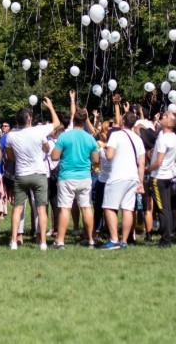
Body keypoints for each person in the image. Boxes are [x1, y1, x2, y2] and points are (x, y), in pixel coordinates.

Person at [5, 97, 63, 251]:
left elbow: (10, 157)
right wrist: (50, 107)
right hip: (39, 174)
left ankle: (13, 241)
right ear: (29, 119)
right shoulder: (39, 131)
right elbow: (57, 124)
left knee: (17, 208)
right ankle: (43, 242)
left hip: (21, 175)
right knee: (41, 209)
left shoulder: (11, 135)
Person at [49, 105, 99, 248]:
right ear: (84, 122)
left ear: (73, 120)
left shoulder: (64, 136)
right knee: (86, 208)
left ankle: (60, 241)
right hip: (84, 176)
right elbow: (96, 160)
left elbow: (54, 156)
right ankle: (90, 239)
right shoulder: (90, 138)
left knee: (65, 208)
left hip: (67, 176)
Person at [99, 111, 145, 250]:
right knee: (127, 209)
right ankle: (124, 240)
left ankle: (114, 240)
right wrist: (140, 182)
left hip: (118, 176)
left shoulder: (116, 135)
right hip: (133, 177)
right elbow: (141, 163)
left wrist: (105, 149)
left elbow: (110, 155)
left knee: (109, 207)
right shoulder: (138, 139)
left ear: (123, 122)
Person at [145, 112, 176, 248]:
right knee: (166, 208)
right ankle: (168, 236)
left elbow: (158, 162)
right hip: (167, 176)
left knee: (162, 209)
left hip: (158, 177)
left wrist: (148, 169)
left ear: (170, 124)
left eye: (166, 117)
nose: (163, 116)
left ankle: (165, 240)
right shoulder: (171, 137)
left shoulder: (165, 139)